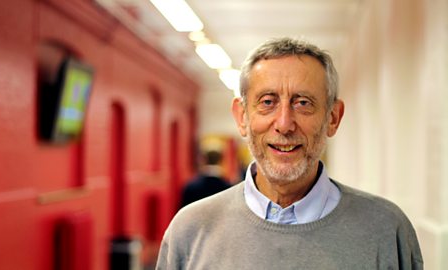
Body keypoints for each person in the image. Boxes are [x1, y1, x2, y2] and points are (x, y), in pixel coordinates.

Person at [156, 37, 423, 269]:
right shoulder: (190, 230)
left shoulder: (388, 230)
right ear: (242, 117)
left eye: (303, 103)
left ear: (333, 117)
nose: (284, 123)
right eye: (268, 102)